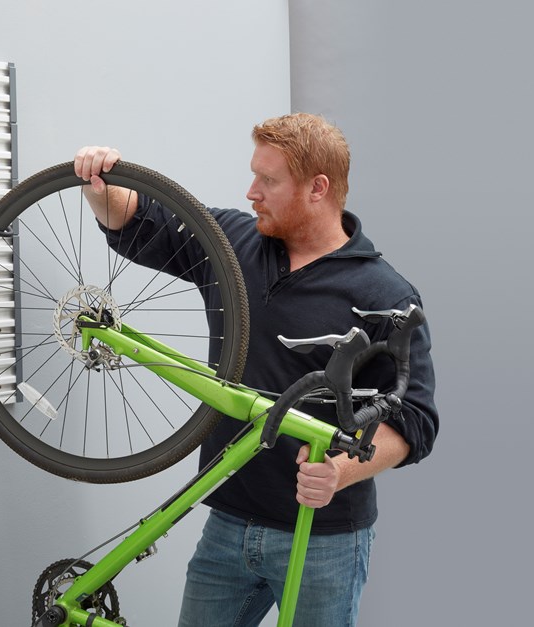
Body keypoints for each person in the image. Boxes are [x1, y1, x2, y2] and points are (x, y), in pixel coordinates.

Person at [73, 113, 438, 626]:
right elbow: (138, 224)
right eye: (253, 175)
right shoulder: (231, 243)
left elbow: (414, 420)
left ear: (318, 188)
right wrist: (97, 181)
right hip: (227, 520)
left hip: (323, 536)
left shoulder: (385, 295)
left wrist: (340, 472)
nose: (251, 192)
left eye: (268, 180)